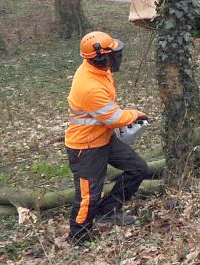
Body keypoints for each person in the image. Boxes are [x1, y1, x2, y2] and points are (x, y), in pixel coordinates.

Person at [65, 31, 149, 245]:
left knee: (138, 168)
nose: (116, 58)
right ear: (101, 57)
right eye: (113, 54)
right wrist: (136, 114)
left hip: (104, 139)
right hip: (86, 148)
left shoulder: (99, 70)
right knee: (87, 197)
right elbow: (115, 118)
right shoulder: (89, 86)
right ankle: (78, 237)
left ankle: (107, 211)